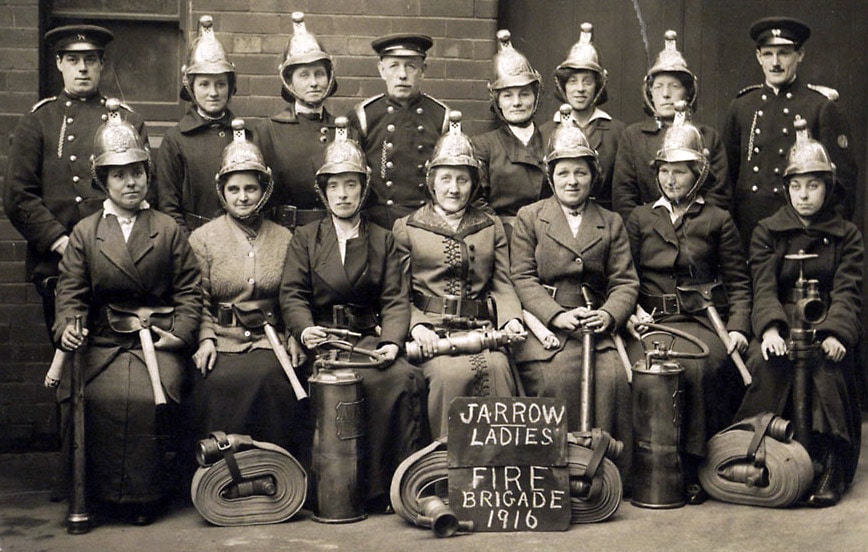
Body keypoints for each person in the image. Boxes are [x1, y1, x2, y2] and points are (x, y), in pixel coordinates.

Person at [53, 100, 201, 525]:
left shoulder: (167, 229)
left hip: (156, 339)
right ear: (103, 181)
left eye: (137, 172)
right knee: (91, 397)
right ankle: (95, 494)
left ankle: (144, 496)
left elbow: (190, 289)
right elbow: (71, 291)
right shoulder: (86, 232)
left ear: (147, 176)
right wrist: (68, 328)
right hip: (103, 341)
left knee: (145, 398)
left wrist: (180, 334)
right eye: (119, 175)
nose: (130, 182)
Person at [279, 118, 425, 513]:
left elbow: (395, 298)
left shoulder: (382, 239)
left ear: (363, 189)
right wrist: (304, 330)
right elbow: (292, 293)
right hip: (323, 340)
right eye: (334, 186)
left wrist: (392, 342)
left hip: (366, 340)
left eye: (351, 185)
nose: (342, 195)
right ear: (323, 191)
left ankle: (386, 488)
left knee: (401, 379)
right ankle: (328, 490)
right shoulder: (306, 238)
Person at [625, 103, 752, 504]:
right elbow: (623, 277)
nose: (670, 179)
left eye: (680, 171)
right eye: (664, 170)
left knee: (698, 368)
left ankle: (693, 467)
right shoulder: (640, 218)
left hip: (703, 321)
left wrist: (738, 327)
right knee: (647, 370)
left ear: (698, 174)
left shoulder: (718, 219)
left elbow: (740, 282)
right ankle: (647, 468)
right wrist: (631, 312)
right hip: (652, 322)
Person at [735, 120, 863, 508]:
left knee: (828, 367)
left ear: (829, 187)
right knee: (763, 363)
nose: (804, 195)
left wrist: (837, 333)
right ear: (787, 188)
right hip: (782, 318)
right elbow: (763, 286)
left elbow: (848, 290)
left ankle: (830, 462)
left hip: (825, 318)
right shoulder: (767, 231)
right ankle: (760, 450)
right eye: (796, 186)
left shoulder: (847, 235)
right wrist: (770, 330)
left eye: (813, 185)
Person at [4, 25, 147, 340]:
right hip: (59, 264)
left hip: (119, 262)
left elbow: (143, 192)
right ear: (59, 63)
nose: (82, 68)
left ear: (102, 64)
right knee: (70, 352)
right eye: (73, 59)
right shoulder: (37, 122)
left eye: (90, 60)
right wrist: (63, 244)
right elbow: (18, 196)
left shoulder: (127, 122)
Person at [510, 106, 639, 445]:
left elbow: (625, 281)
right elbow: (522, 277)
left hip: (595, 325)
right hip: (547, 326)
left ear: (593, 176)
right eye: (563, 172)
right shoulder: (530, 217)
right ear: (550, 176)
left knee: (613, 380)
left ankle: (606, 466)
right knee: (555, 380)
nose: (572, 181)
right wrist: (557, 315)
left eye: (580, 172)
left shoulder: (610, 221)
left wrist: (608, 315)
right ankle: (557, 467)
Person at [394, 111, 523, 439]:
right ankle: (446, 465)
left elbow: (502, 282)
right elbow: (397, 293)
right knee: (447, 377)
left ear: (474, 183)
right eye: (446, 179)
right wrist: (417, 326)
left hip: (482, 330)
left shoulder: (490, 226)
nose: (454, 189)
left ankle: (497, 465)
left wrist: (511, 320)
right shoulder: (407, 227)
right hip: (432, 334)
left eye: (462, 180)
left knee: (499, 370)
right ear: (432, 182)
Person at [189, 120, 308, 459]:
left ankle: (276, 470)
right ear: (222, 192)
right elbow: (197, 299)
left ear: (264, 190)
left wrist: (292, 336)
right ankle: (219, 474)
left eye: (251, 189)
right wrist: (205, 339)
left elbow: (293, 295)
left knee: (274, 381)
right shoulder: (203, 239)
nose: (242, 197)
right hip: (222, 340)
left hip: (268, 341)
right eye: (234, 189)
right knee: (214, 383)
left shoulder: (285, 238)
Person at [723, 16, 857, 252]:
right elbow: (726, 178)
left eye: (784, 53)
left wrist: (824, 239)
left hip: (803, 233)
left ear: (800, 55)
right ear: (758, 57)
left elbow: (842, 183)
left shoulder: (821, 106)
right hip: (748, 231)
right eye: (768, 54)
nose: (775, 62)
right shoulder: (741, 106)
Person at [612, 30, 730, 222]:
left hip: (699, 232)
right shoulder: (633, 137)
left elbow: (719, 195)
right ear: (650, 93)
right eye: (658, 87)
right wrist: (644, 229)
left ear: (688, 92)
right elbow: (623, 196)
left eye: (674, 86)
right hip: (646, 230)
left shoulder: (708, 136)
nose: (666, 94)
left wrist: (695, 229)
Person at [347, 33, 449, 230]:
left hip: (428, 223)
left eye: (411, 66)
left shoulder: (441, 116)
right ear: (381, 70)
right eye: (394, 66)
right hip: (377, 224)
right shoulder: (363, 115)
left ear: (423, 70)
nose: (402, 75)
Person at [154, 15, 238, 235]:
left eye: (221, 84)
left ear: (230, 87)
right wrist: (188, 244)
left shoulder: (245, 135)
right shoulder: (176, 139)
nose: (213, 92)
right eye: (204, 84)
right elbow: (167, 206)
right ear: (191, 88)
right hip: (193, 236)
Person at [255, 12, 337, 230]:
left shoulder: (343, 129)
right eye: (304, 75)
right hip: (286, 233)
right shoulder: (268, 131)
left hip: (334, 232)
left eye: (319, 74)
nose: (314, 83)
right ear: (289, 82)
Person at [540, 22, 625, 212]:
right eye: (572, 82)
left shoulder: (617, 132)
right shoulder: (545, 131)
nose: (580, 89)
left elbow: (621, 189)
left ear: (598, 86)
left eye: (587, 82)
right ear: (563, 86)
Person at [471, 30, 548, 232]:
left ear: (535, 97)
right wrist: (501, 234)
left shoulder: (552, 139)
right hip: (502, 236)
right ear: (497, 101)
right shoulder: (483, 146)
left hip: (548, 234)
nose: (517, 103)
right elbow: (477, 201)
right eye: (507, 96)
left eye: (524, 94)